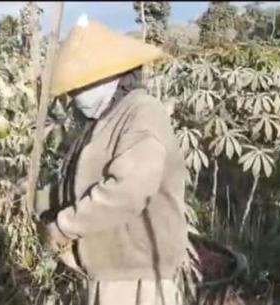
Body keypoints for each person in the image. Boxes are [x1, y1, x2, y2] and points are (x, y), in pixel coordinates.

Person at [34, 15, 189, 305]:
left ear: (110, 76)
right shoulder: (106, 118)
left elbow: (126, 191)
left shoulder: (142, 113)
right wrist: (37, 199)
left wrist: (65, 225)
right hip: (111, 272)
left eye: (80, 87)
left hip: (138, 275)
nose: (75, 96)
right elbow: (83, 184)